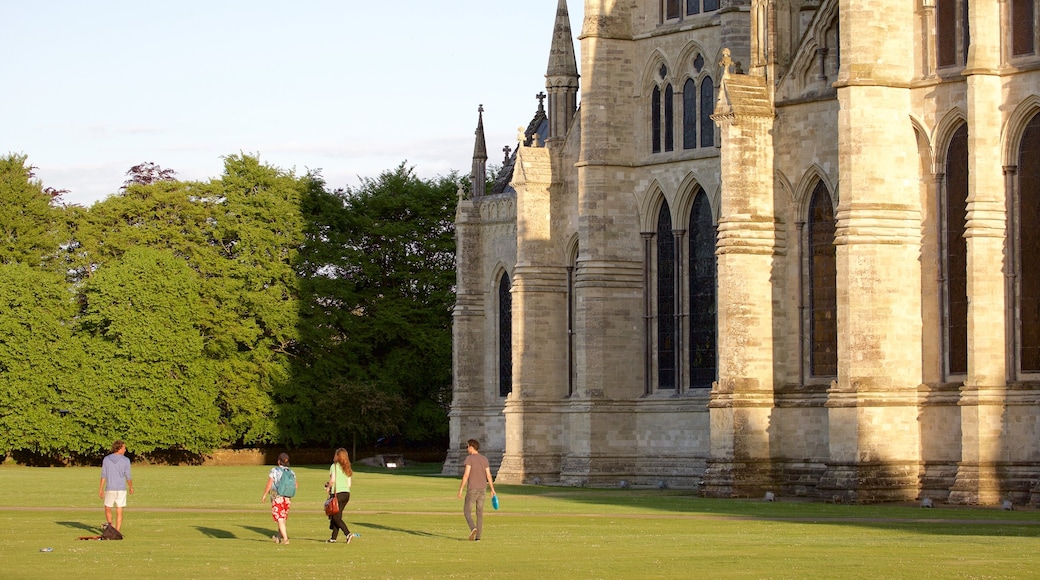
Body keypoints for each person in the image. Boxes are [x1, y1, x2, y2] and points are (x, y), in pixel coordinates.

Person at [457, 438, 497, 541]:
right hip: (483, 489)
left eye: (467, 447)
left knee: (467, 511)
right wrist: (492, 489)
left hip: (472, 489)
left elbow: (466, 474)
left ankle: (473, 528)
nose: (467, 449)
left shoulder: (470, 459)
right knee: (479, 513)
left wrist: (461, 489)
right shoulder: (484, 459)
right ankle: (478, 537)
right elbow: (488, 475)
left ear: (471, 447)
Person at [261, 452, 296, 544]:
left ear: (278, 461)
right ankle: (278, 537)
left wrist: (264, 494)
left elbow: (269, 483)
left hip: (277, 497)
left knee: (280, 519)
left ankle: (285, 539)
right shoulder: (291, 472)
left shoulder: (275, 471)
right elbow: (296, 485)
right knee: (283, 518)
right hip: (287, 498)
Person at [98, 440, 133, 532]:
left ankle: (110, 526)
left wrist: (100, 489)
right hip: (121, 489)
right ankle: (117, 531)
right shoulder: (126, 460)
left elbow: (103, 475)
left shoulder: (106, 459)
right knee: (119, 509)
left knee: (107, 507)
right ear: (119, 448)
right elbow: (128, 476)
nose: (125, 450)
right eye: (124, 448)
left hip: (110, 488)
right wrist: (130, 487)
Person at [325, 448, 354, 544]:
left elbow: (332, 480)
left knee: (335, 517)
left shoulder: (334, 466)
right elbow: (349, 484)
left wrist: (328, 487)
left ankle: (348, 534)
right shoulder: (347, 467)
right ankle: (333, 538)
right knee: (337, 515)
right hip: (346, 494)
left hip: (337, 494)